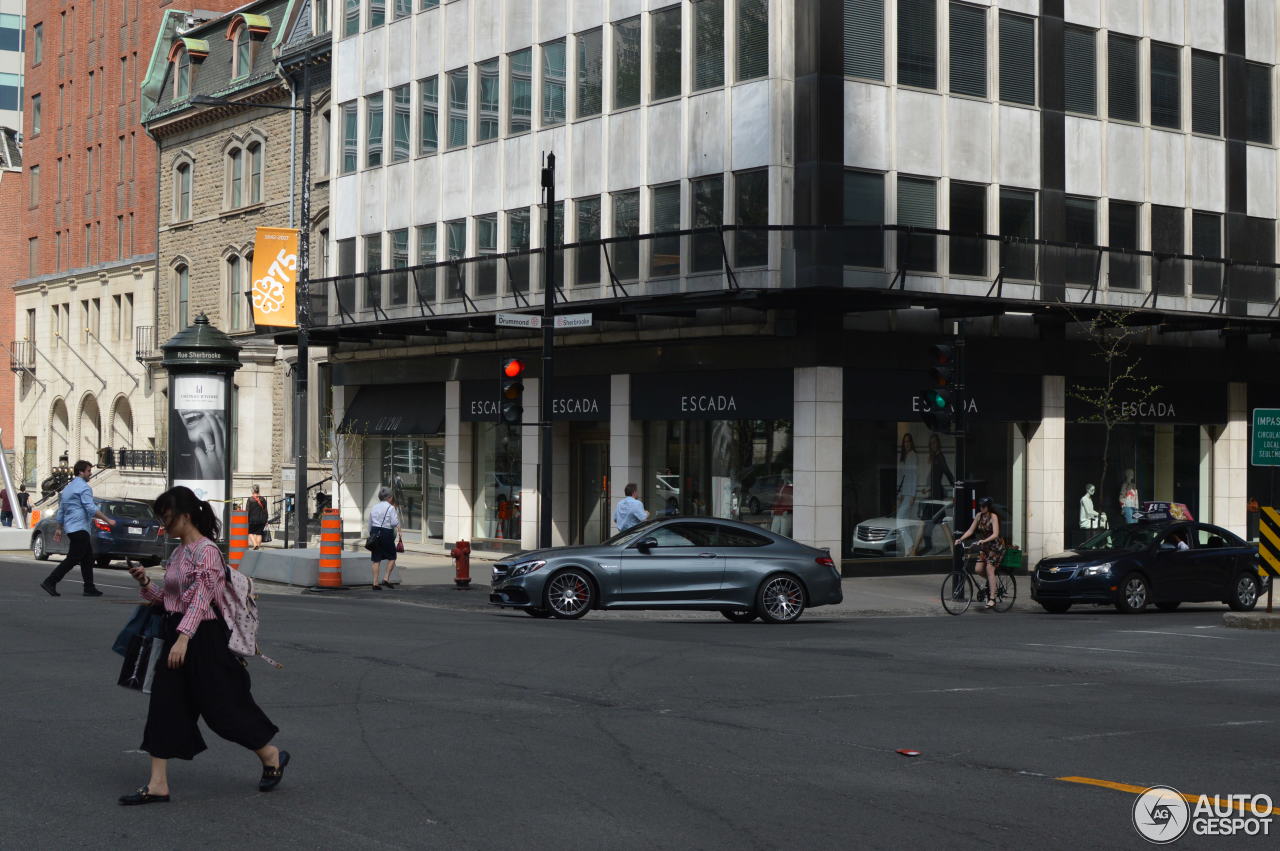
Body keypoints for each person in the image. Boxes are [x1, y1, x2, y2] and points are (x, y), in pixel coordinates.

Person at [120, 486, 287, 805]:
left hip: (203, 639)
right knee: (164, 707)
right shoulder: (179, 552)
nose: (163, 523)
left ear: (185, 515)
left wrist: (184, 638)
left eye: (166, 516)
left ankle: (270, 755)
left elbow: (201, 599)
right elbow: (171, 601)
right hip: (177, 634)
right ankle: (157, 785)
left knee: (222, 710)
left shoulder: (207, 551)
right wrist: (144, 582)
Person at [40, 460, 115, 597]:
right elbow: (90, 508)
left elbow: (61, 509)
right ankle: (50, 581)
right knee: (73, 558)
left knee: (87, 558)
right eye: (88, 471)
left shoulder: (68, 488)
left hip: (71, 527)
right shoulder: (84, 488)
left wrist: (59, 527)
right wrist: (108, 520)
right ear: (81, 472)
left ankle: (89, 587)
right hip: (80, 528)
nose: (90, 474)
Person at [956, 496, 1005, 609]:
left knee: (989, 568)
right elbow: (970, 530)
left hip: (996, 546)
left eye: (983, 506)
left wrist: (984, 540)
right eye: (980, 506)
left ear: (988, 507)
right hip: (985, 546)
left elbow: (995, 534)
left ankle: (992, 598)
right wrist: (961, 539)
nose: (981, 508)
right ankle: (992, 583)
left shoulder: (994, 517)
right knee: (978, 569)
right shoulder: (979, 516)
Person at [368, 486, 400, 590]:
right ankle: (386, 578)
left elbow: (370, 523)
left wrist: (371, 534)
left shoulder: (374, 507)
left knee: (376, 559)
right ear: (390, 497)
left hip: (375, 532)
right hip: (386, 533)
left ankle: (375, 583)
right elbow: (394, 523)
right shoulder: (390, 508)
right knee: (392, 556)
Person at [770, 471, 794, 537]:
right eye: (782, 473)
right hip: (778, 511)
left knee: (784, 534)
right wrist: (773, 509)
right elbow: (776, 498)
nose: (782, 475)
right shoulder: (781, 485)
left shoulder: (791, 485)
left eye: (783, 473)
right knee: (774, 531)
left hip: (785, 512)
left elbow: (792, 498)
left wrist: (789, 510)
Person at [246, 485, 269, 550]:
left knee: (250, 533)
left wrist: (246, 519)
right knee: (259, 533)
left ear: (252, 490)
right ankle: (257, 547)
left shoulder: (250, 499)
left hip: (252, 520)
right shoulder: (263, 499)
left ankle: (255, 544)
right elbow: (265, 510)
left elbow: (247, 510)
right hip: (262, 519)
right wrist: (266, 519)